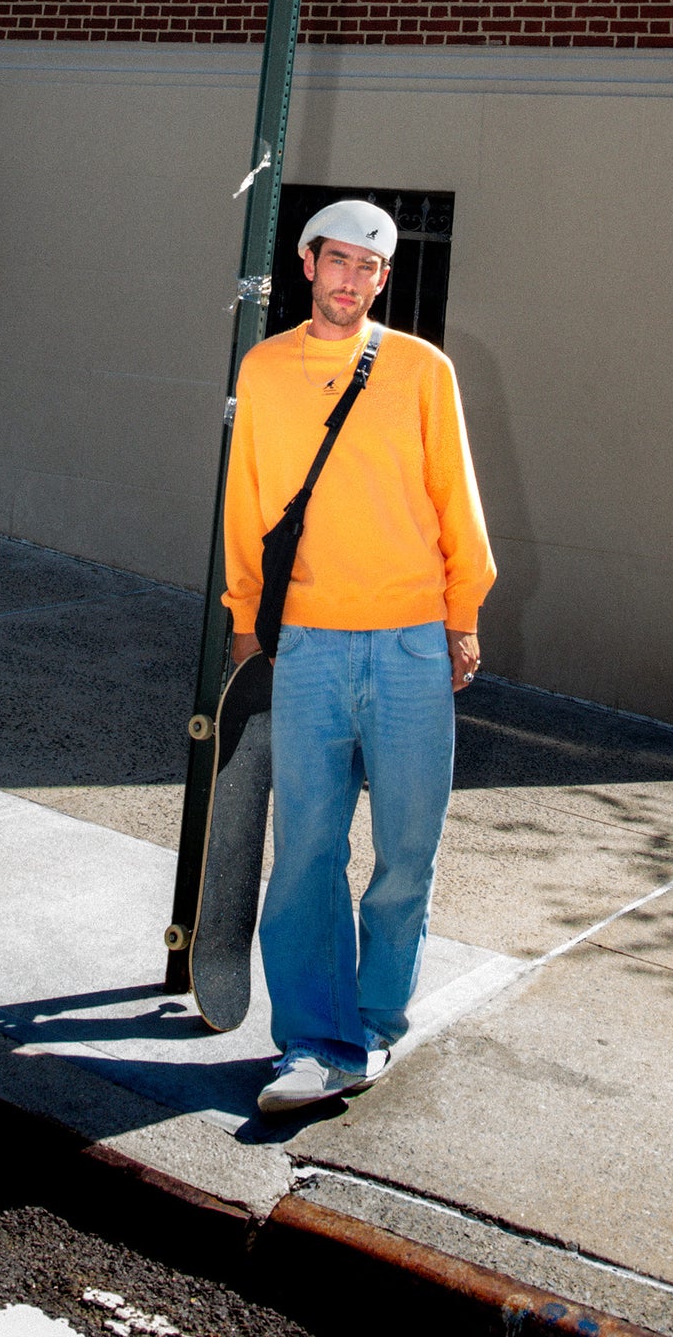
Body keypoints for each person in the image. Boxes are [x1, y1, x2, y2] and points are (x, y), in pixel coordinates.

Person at [222, 197, 496, 1115]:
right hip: (306, 643)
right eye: (334, 260)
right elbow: (249, 503)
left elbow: (456, 496)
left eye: (367, 267)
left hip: (414, 641)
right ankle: (313, 1040)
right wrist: (242, 619)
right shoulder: (264, 371)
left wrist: (461, 615)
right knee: (304, 847)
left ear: (383, 279)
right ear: (307, 264)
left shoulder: (421, 370)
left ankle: (374, 1024)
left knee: (406, 849)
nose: (348, 279)